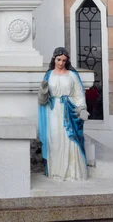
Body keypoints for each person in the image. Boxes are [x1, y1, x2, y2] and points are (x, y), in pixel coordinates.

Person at [38, 47, 89, 181]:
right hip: (53, 110)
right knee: (54, 139)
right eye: (58, 59)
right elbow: (42, 100)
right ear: (54, 59)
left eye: (64, 60)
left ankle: (71, 172)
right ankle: (56, 171)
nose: (61, 63)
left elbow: (78, 94)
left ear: (67, 61)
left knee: (69, 139)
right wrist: (43, 91)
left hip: (69, 111)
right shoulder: (49, 75)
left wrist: (82, 108)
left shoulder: (72, 75)